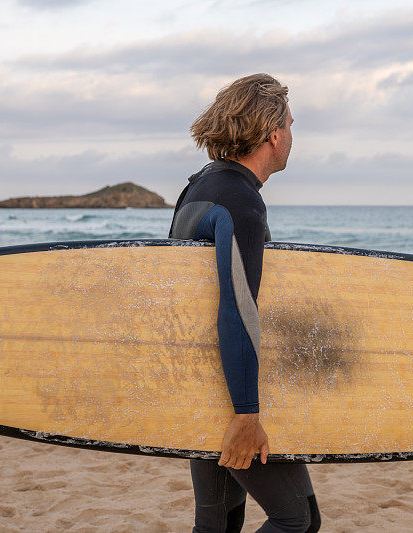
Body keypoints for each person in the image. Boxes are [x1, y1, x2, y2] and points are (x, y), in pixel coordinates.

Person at [168, 74, 320, 533]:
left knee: (219, 524)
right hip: (229, 395)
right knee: (297, 521)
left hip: (198, 384)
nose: (292, 136)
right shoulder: (240, 203)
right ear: (274, 134)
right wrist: (247, 414)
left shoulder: (199, 187)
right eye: (291, 125)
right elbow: (237, 309)